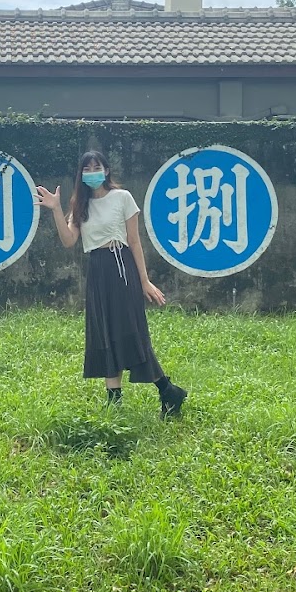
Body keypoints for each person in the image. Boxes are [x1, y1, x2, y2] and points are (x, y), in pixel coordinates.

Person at [34, 150, 187, 417]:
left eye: (97, 167)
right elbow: (69, 240)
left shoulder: (122, 198)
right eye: (87, 168)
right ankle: (115, 402)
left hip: (121, 266)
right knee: (104, 331)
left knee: (130, 332)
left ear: (106, 170)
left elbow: (135, 241)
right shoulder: (80, 205)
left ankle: (167, 390)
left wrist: (144, 281)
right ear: (81, 174)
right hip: (97, 270)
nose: (92, 172)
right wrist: (56, 209)